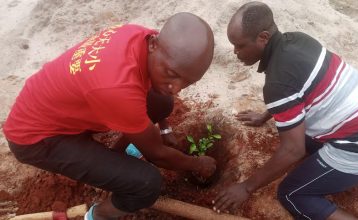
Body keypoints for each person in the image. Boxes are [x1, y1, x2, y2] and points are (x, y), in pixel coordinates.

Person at [3, 12, 216, 220]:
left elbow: (158, 100)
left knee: (162, 101)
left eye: (187, 82)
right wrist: (197, 164)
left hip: (60, 107)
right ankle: (98, 215)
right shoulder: (118, 88)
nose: (176, 88)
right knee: (146, 184)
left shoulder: (139, 37)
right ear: (153, 44)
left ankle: (116, 157)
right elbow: (157, 155)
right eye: (171, 75)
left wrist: (164, 127)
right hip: (37, 138)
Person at [213, 2, 358, 220]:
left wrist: (246, 187)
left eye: (240, 46)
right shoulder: (297, 40)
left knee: (292, 194)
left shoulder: (278, 84)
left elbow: (293, 150)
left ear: (263, 37)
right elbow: (298, 89)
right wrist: (265, 116)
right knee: (302, 135)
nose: (235, 52)